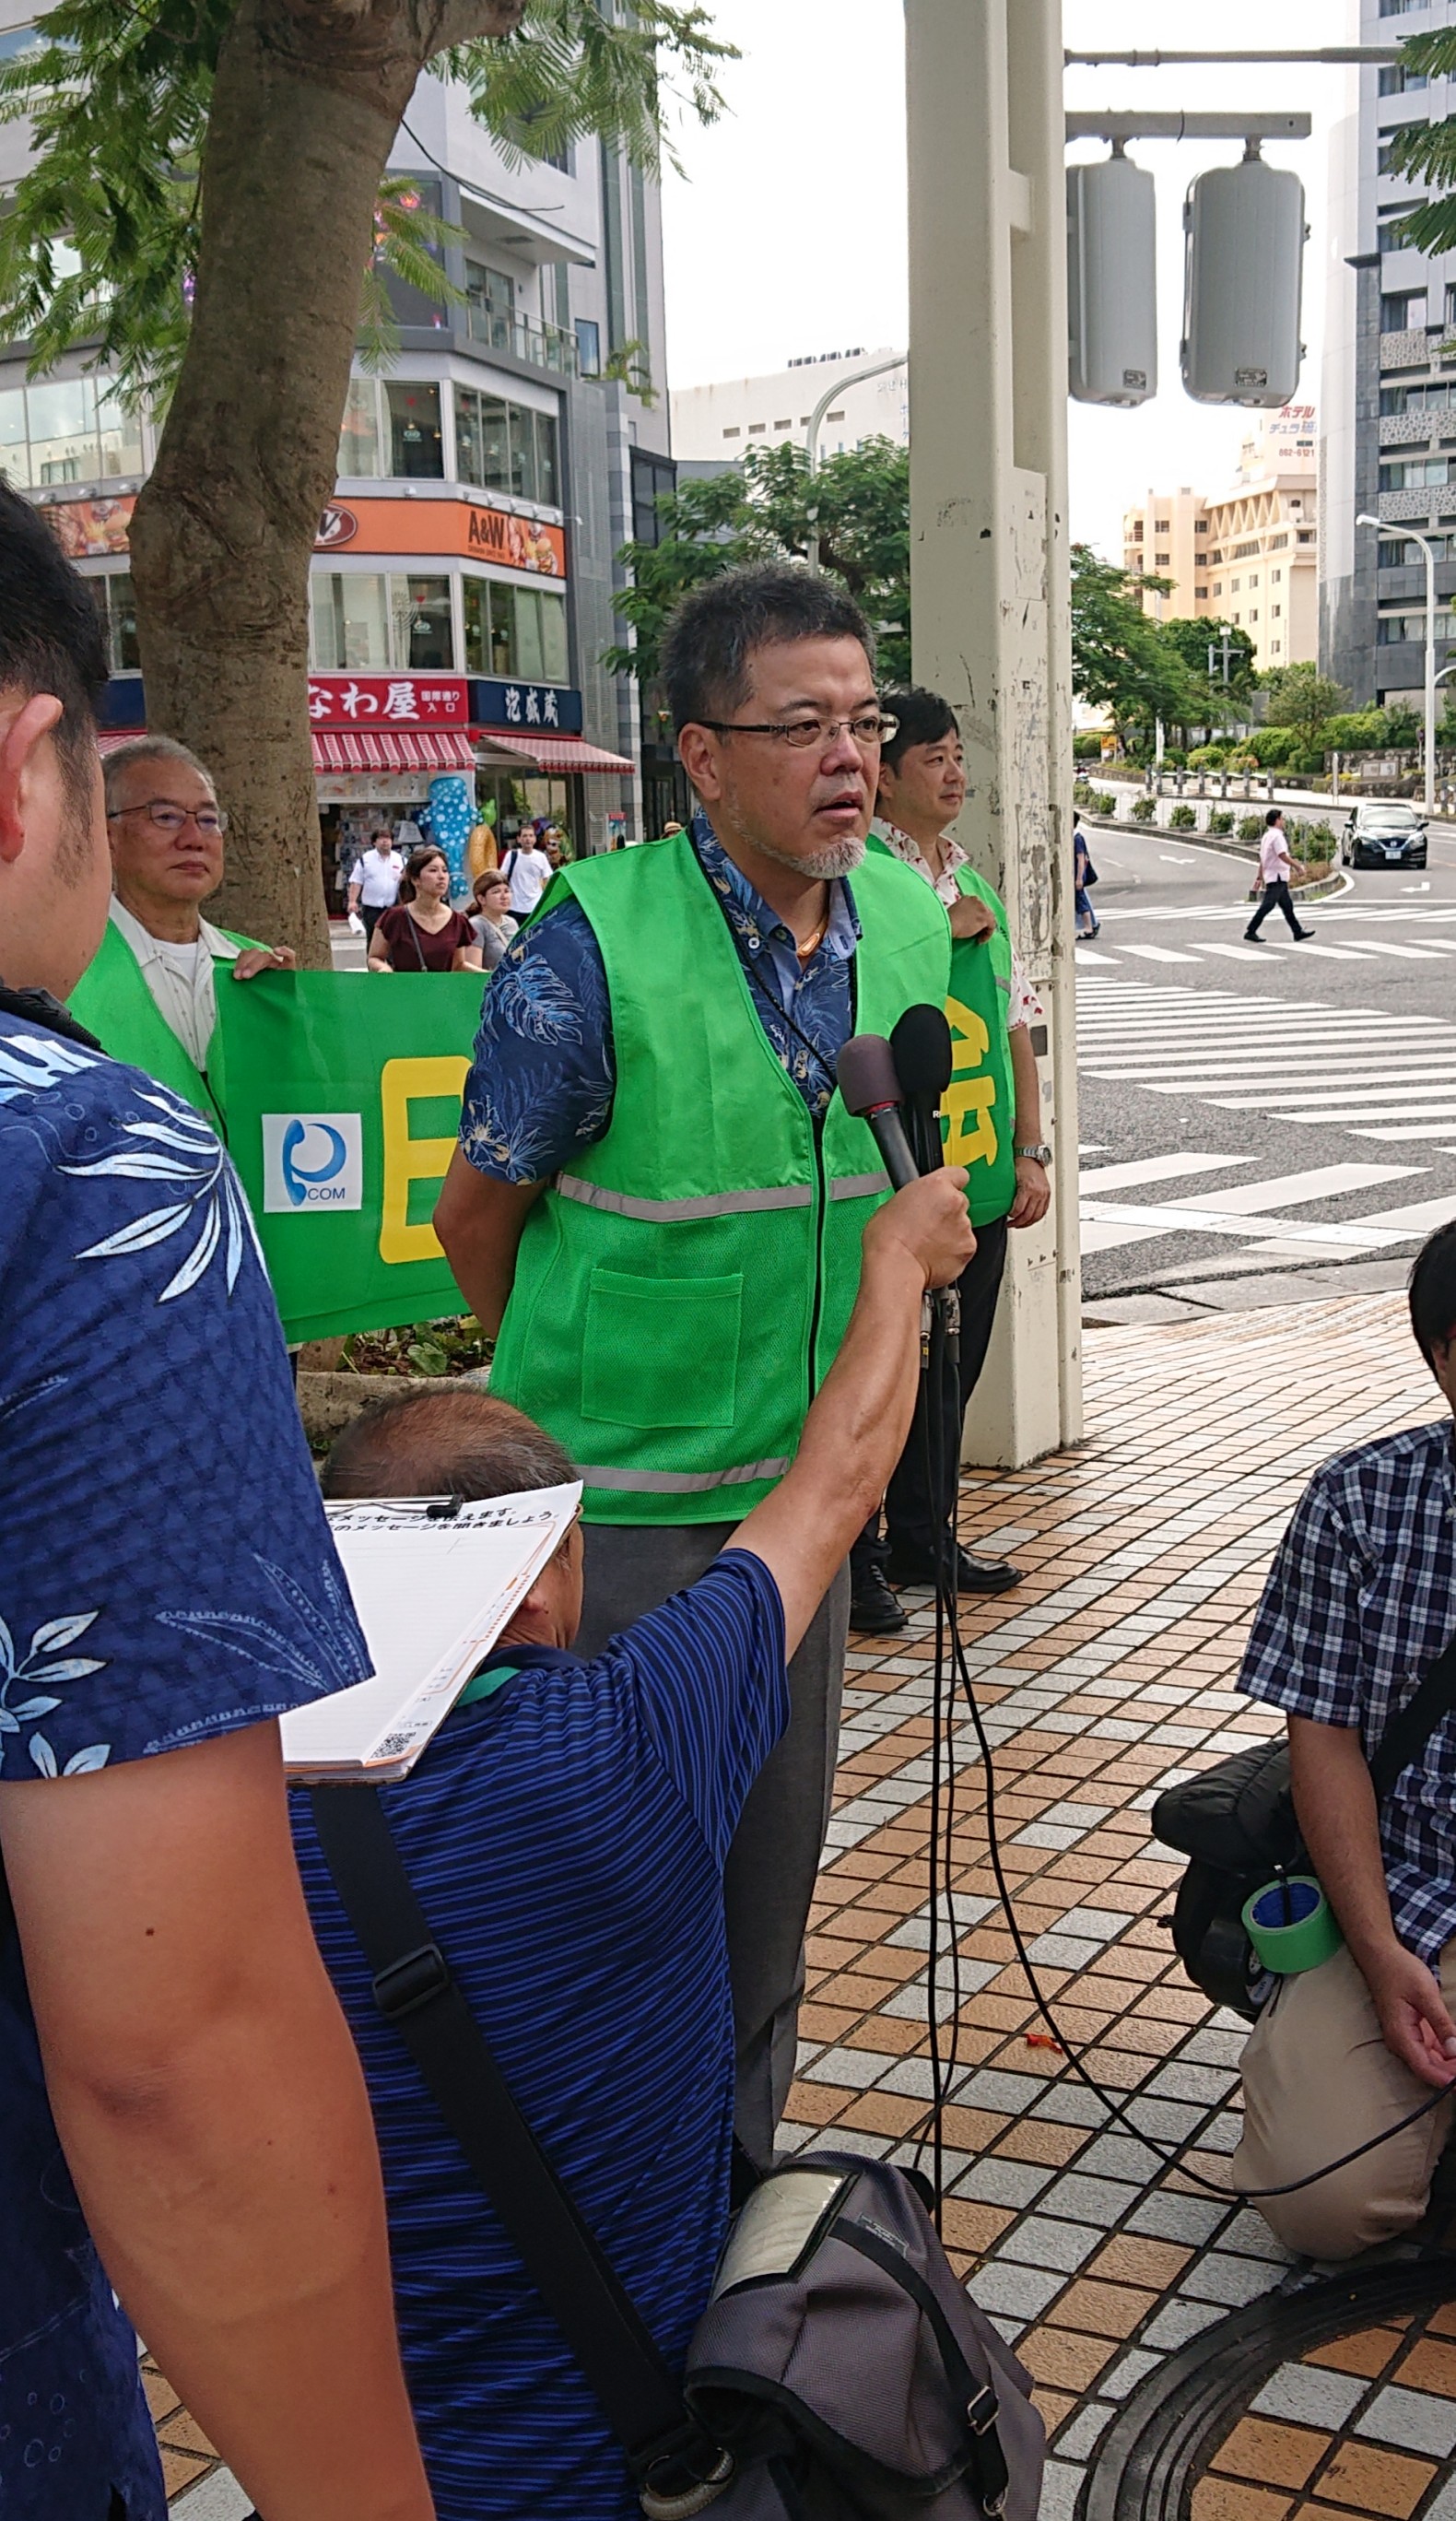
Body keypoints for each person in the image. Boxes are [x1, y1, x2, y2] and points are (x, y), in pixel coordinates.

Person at [295, 1164, 975, 2519]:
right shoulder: (630, 1739)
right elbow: (834, 1483)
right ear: (547, 1572)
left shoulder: (222, 1836)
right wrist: (893, 1262)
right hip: (632, 2464)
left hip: (374, 2467)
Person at [0, 479, 432, 2520]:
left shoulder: (247, 985)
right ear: (30, 775)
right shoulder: (80, 1164)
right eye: (133, 797)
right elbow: (175, 2036)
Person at [434, 562, 950, 2163]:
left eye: (862, 722)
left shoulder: (915, 916)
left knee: (759, 1909)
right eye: (800, 726)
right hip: (606, 1528)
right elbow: (476, 1220)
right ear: (702, 756)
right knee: (599, 1902)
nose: (849, 759)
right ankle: (592, 2235)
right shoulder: (592, 949)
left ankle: (727, 2214)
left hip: (796, 1513)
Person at [1231, 1219, 1456, 2259]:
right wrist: (1374, 1953)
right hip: (1408, 1889)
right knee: (1315, 2196)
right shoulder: (1359, 1501)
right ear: (1442, 1356)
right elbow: (1319, 1740)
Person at [847, 686, 1051, 1633]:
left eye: (956, 754)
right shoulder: (859, 883)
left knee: (952, 1365)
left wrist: (1032, 1150)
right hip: (892, 1172)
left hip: (978, 1164)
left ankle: (926, 1533)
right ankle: (858, 1552)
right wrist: (939, 930)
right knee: (874, 1366)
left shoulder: (978, 883)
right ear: (883, 780)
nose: (954, 772)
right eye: (932, 757)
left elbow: (1019, 1021)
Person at [66, 734, 294, 1132]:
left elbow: (305, 1100)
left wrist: (297, 1017)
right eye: (166, 817)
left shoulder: (257, 964)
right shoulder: (69, 967)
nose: (193, 839)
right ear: (108, 836)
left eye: (208, 820)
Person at [370, 844, 483, 973]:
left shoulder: (458, 921)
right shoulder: (394, 917)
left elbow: (458, 965)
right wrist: (383, 968)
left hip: (442, 991)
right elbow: (375, 957)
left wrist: (488, 977)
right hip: (404, 990)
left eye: (445, 870)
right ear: (415, 879)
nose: (441, 876)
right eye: (433, 870)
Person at [1244, 807, 1314, 943]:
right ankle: (1251, 930)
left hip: (1274, 875)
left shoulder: (1267, 836)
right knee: (1268, 905)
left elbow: (1263, 858)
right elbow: (1281, 855)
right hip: (1277, 876)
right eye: (1282, 819)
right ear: (1277, 820)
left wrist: (1259, 876)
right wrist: (1297, 867)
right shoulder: (1277, 836)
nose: (1283, 822)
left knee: (1287, 906)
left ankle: (1297, 931)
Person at [348, 829, 405, 941]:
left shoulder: (401, 860)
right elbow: (356, 881)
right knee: (373, 939)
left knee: (392, 939)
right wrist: (352, 901)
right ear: (374, 842)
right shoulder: (365, 860)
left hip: (392, 907)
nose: (385, 841)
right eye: (381, 838)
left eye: (388, 838)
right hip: (371, 909)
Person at [499, 826, 554, 921]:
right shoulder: (511, 856)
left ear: (535, 839)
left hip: (535, 907)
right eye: (524, 836)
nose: (528, 839)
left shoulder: (541, 857)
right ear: (519, 839)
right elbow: (502, 877)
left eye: (531, 836)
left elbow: (547, 881)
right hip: (514, 907)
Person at [469, 867, 518, 971]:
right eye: (496, 892)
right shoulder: (476, 925)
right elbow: (473, 971)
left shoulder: (511, 923)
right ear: (481, 899)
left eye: (507, 891)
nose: (504, 896)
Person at [1074, 811, 1099, 939]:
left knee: (1081, 902)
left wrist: (1079, 878)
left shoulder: (1077, 838)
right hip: (1075, 877)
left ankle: (1089, 928)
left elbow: (1081, 859)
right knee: (1081, 901)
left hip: (1077, 877)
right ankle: (1091, 925)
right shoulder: (1074, 837)